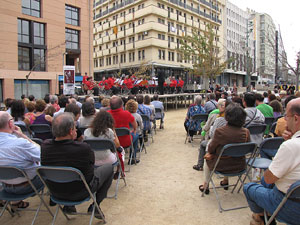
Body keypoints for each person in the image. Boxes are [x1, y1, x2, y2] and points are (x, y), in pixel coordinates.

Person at [41, 113, 113, 218]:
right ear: (71, 131)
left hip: (56, 191)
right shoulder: (83, 148)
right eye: (75, 128)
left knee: (65, 174)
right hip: (81, 192)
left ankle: (68, 206)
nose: (76, 131)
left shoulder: (45, 147)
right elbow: (90, 168)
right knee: (109, 167)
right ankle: (96, 205)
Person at [243, 98, 300, 225]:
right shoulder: (291, 144)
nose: (284, 119)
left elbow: (269, 178)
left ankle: (263, 217)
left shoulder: (290, 146)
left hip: (290, 205)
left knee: (250, 187)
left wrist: (288, 143)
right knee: (264, 182)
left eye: (287, 116)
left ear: (296, 118)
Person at [199, 103, 250, 194]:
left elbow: (211, 149)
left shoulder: (220, 131)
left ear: (227, 116)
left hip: (221, 166)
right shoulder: (246, 132)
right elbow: (247, 147)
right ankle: (225, 181)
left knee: (207, 159)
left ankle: (206, 185)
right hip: (239, 165)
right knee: (230, 155)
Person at [0, 111, 42, 209]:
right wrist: (23, 136)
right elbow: (42, 154)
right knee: (47, 171)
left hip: (4, 186)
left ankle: (15, 202)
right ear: (10, 123)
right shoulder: (21, 143)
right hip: (28, 186)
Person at [193, 99, 227, 171]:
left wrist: (203, 129)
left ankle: (200, 165)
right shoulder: (231, 116)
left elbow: (210, 132)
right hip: (228, 144)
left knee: (203, 143)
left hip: (217, 143)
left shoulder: (215, 115)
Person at [108, 96, 140, 164]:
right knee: (136, 135)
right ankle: (133, 158)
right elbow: (135, 124)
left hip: (111, 142)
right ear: (121, 105)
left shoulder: (107, 114)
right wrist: (134, 129)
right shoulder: (126, 113)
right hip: (125, 141)